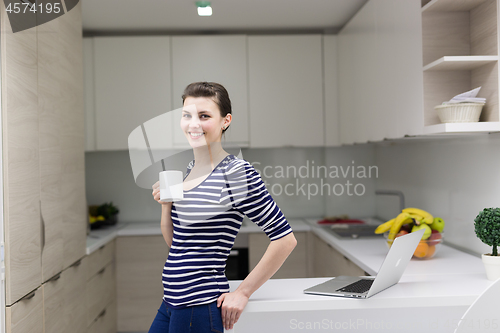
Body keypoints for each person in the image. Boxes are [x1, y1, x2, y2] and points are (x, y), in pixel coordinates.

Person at [150, 82, 297, 332]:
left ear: (225, 121)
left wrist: (243, 292)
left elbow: (285, 239)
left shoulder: (236, 173)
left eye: (204, 116)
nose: (193, 124)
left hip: (198, 305)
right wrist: (166, 206)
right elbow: (177, 245)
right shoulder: (190, 170)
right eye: (187, 115)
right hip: (172, 302)